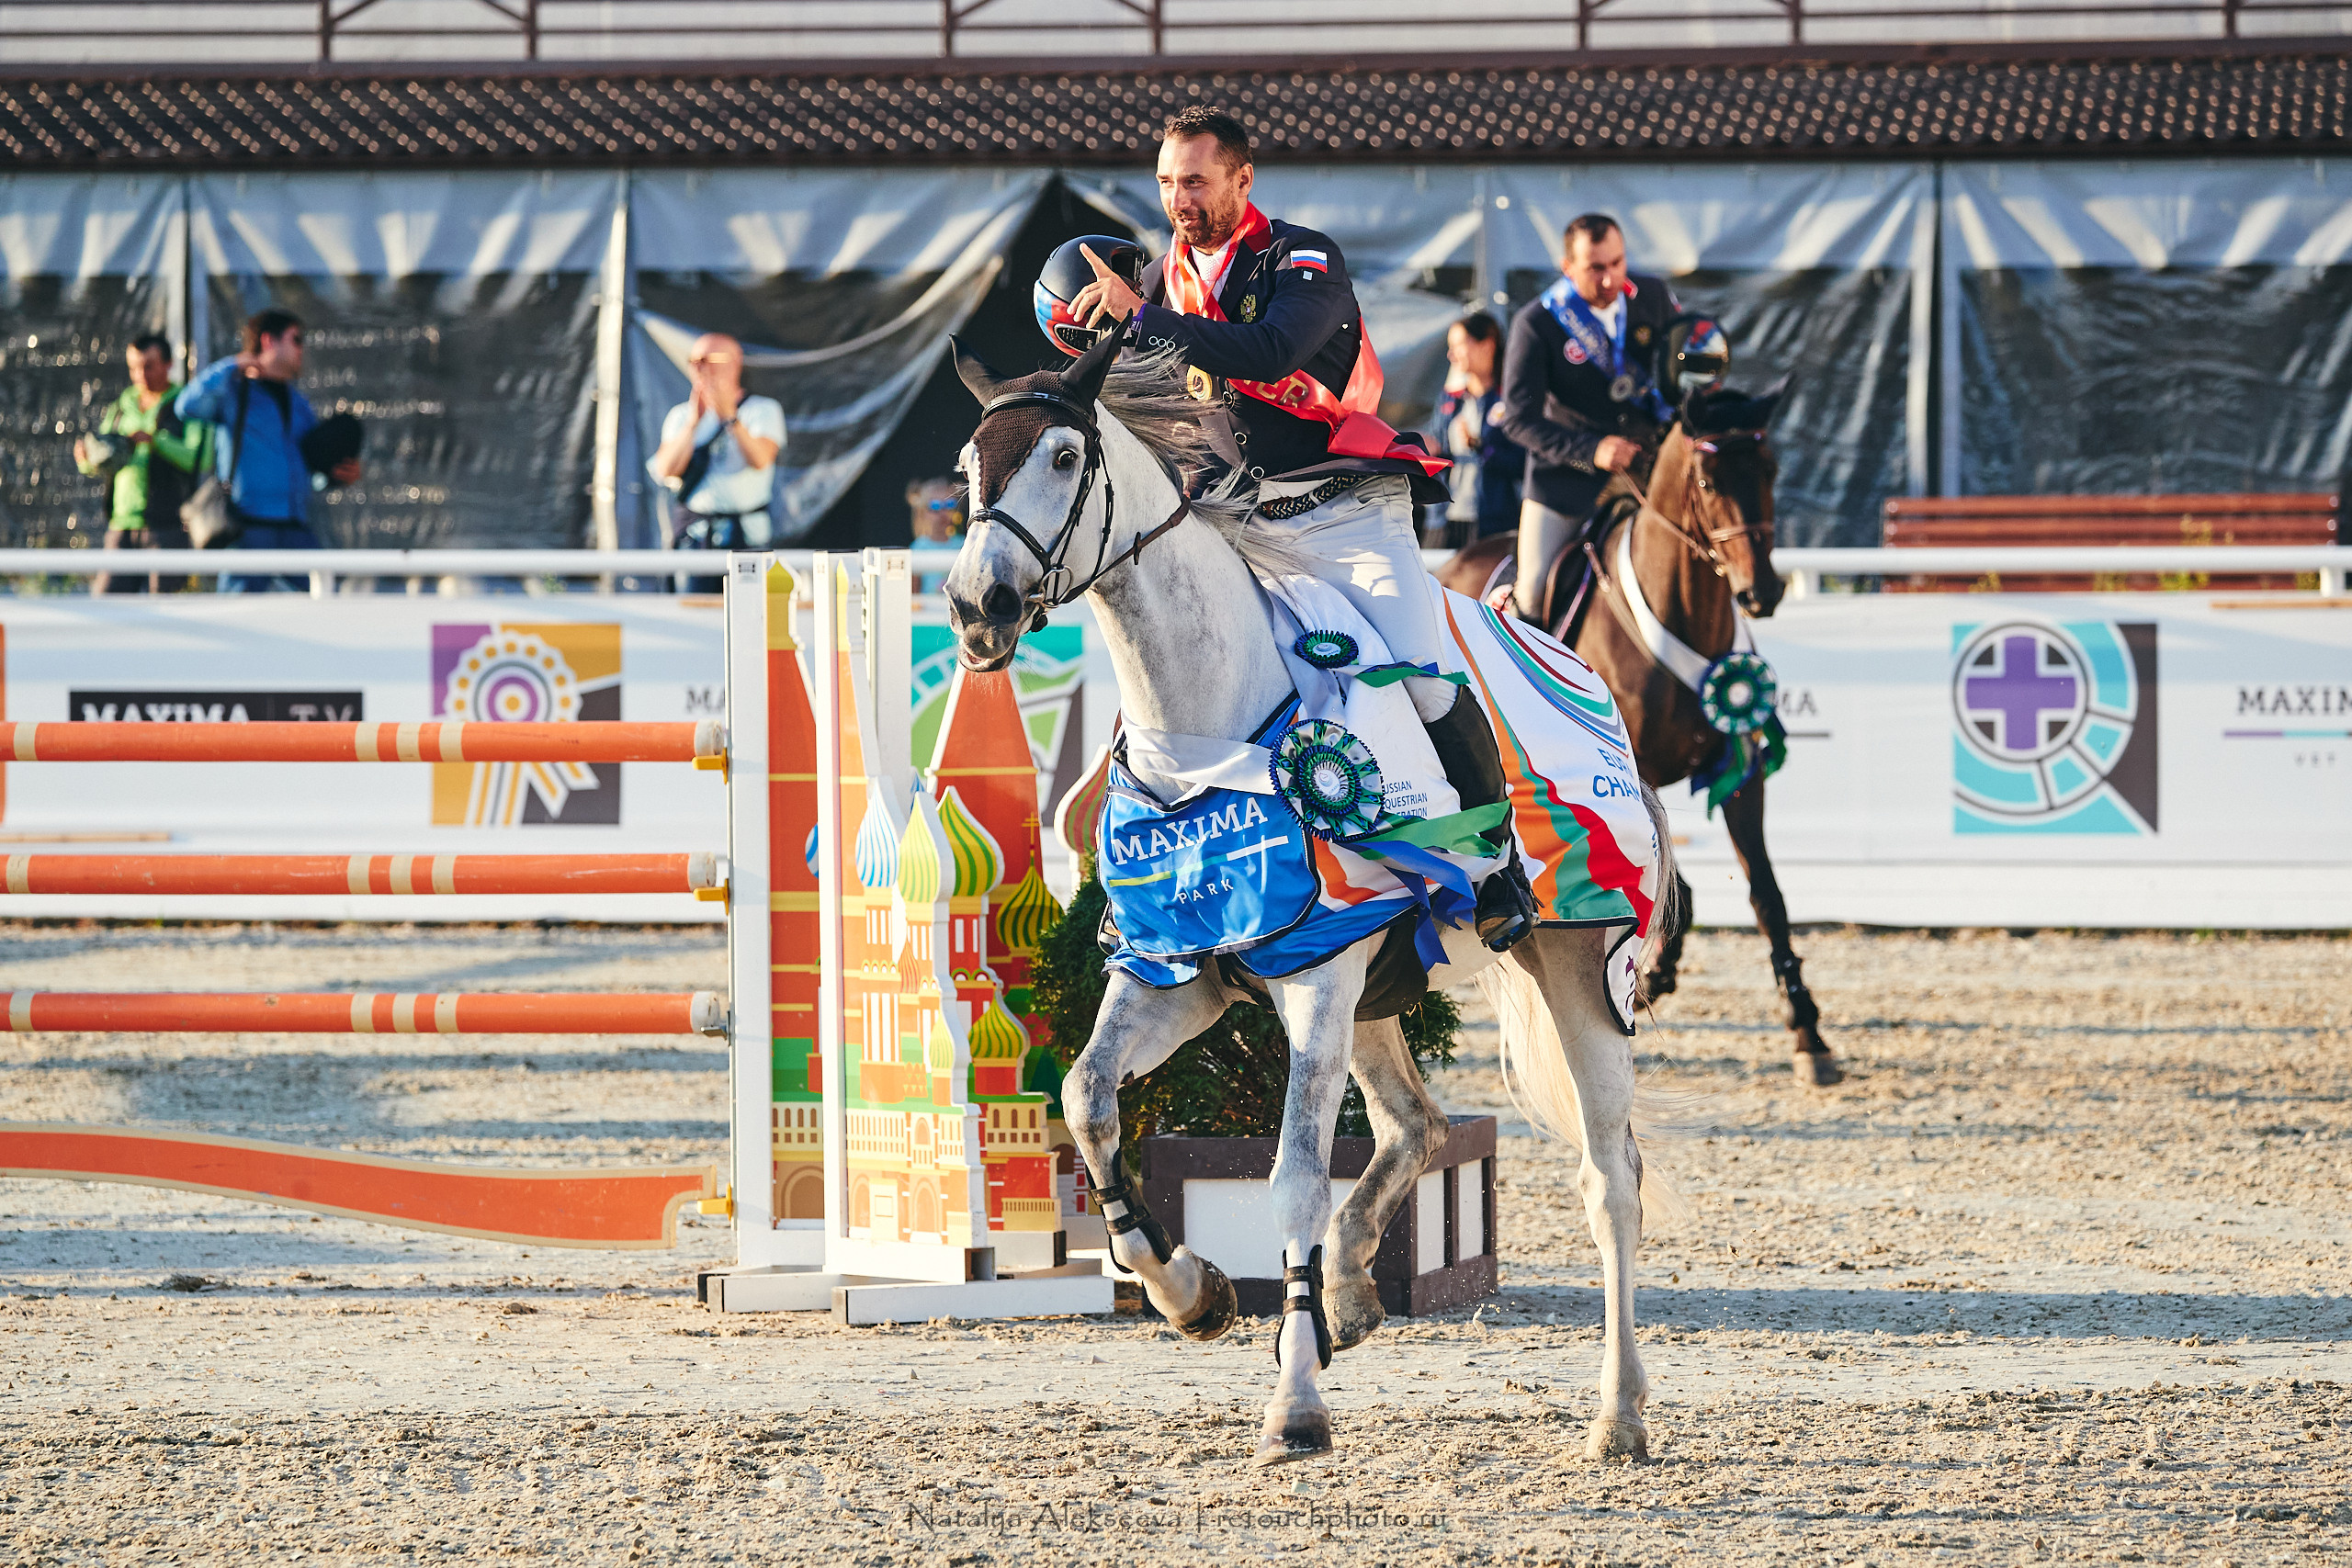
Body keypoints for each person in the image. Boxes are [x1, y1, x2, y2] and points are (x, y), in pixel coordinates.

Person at [1062, 105, 1537, 951]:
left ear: (1244, 180)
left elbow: (1272, 351)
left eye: (1197, 181)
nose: (1179, 199)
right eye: (1168, 181)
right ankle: (1135, 876)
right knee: (1164, 655)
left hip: (1342, 513)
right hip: (1229, 516)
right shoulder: (1164, 276)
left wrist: (1139, 318)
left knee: (1421, 678)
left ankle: (1500, 864)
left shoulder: (1303, 256)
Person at [1495, 213, 1679, 624]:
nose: (1611, 279)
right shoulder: (1537, 323)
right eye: (1596, 268)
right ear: (1568, 268)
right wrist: (1592, 450)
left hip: (1649, 471)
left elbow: (1678, 378)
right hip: (1566, 483)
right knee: (1533, 592)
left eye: (1617, 263)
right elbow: (1517, 420)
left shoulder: (1653, 296)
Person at [175, 307, 364, 592]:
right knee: (236, 615)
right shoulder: (233, 391)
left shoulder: (299, 404)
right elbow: (186, 406)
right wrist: (233, 364)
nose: (302, 349)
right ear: (268, 341)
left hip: (294, 527)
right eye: (296, 340)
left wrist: (334, 477)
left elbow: (306, 470)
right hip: (247, 527)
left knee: (326, 598)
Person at [648, 333, 784, 592]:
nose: (699, 367)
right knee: (693, 617)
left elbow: (761, 459)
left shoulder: (762, 410)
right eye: (693, 360)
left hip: (747, 538)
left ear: (734, 363)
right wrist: (693, 424)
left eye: (707, 360)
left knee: (749, 616)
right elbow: (665, 470)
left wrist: (730, 419)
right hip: (695, 538)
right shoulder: (680, 416)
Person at [74, 333, 204, 593]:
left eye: (148, 366)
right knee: (108, 609)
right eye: (134, 367)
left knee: (166, 614)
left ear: (168, 364)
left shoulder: (186, 405)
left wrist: (154, 441)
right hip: (121, 525)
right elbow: (102, 461)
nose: (140, 375)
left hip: (168, 526)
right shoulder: (122, 406)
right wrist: (87, 459)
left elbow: (198, 458)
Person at [1428, 313, 1524, 548]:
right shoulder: (1450, 400)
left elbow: (1523, 461)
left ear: (1487, 346)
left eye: (1459, 345)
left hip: (1495, 520)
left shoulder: (1510, 400)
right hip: (1448, 519)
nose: (1451, 355)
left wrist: (1480, 446)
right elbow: (1438, 448)